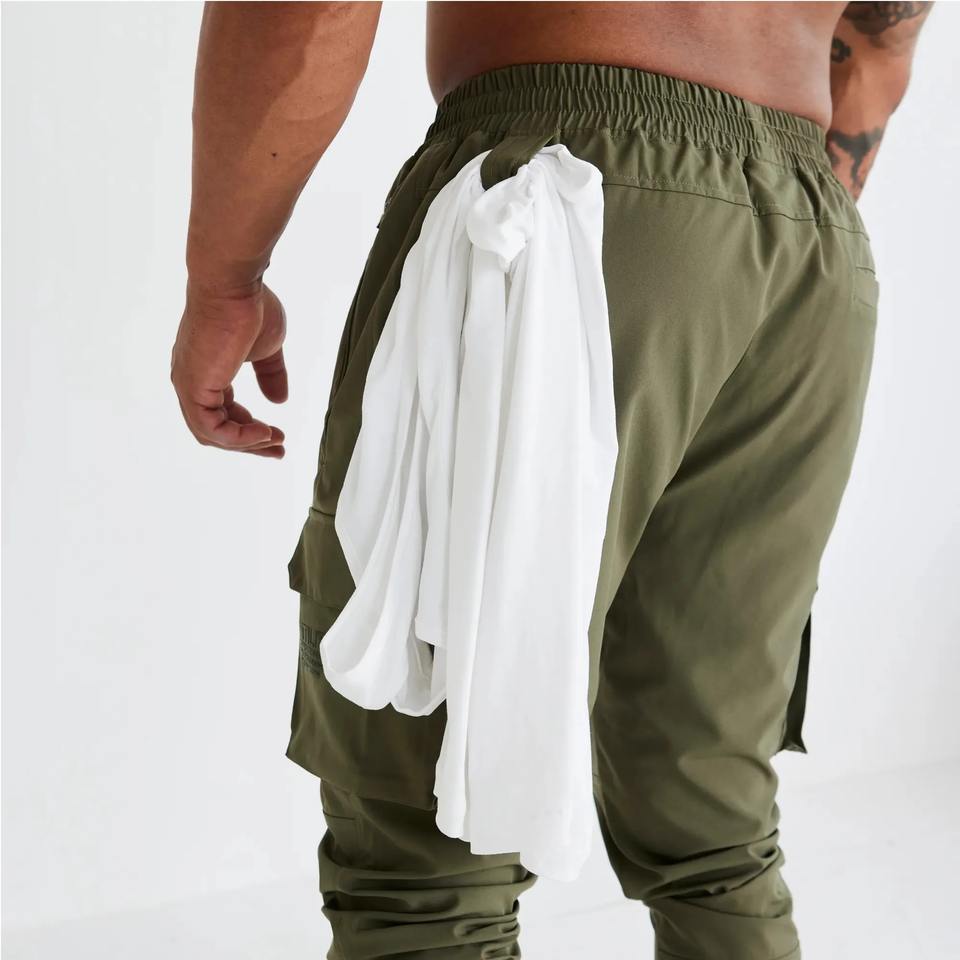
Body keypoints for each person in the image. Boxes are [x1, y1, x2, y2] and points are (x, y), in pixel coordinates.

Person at [170, 3, 933, 957]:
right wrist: (759, 226)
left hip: (565, 187)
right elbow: (886, 27)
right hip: (814, 245)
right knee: (713, 818)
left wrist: (224, 278)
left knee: (426, 847)